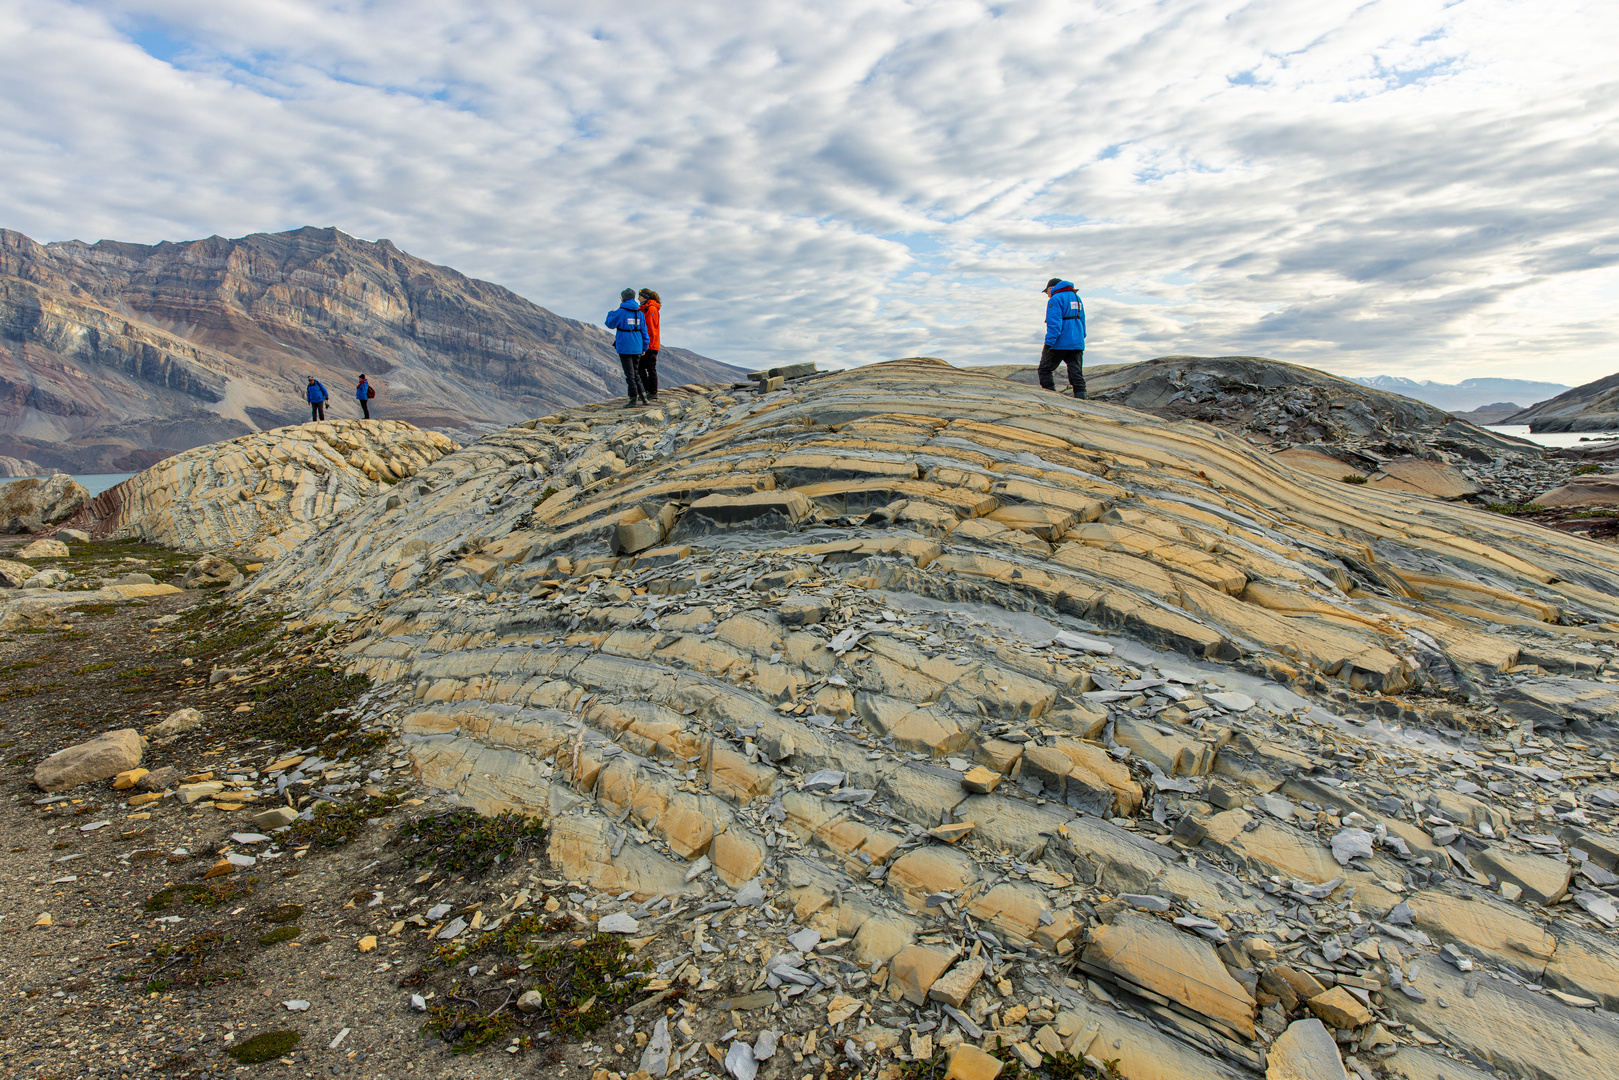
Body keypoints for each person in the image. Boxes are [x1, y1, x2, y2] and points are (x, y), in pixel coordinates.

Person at [1037, 277, 1087, 398]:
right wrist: (1081, 336)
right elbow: (1083, 320)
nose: (1047, 295)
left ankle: (1051, 398)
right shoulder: (1077, 298)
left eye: (1046, 292)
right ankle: (1082, 399)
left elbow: (1054, 323)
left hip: (1059, 342)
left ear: (1051, 288)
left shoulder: (1055, 299)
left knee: (1044, 369)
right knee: (1076, 372)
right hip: (1077, 341)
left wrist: (1049, 342)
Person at [605, 289, 649, 406]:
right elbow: (644, 331)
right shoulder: (639, 313)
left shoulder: (620, 312)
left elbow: (610, 324)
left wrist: (610, 313)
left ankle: (633, 399)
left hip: (625, 346)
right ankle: (644, 397)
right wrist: (644, 347)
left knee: (629, 373)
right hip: (637, 346)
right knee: (636, 372)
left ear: (623, 298)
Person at [636, 288, 662, 402]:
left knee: (650, 368)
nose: (638, 298)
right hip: (647, 343)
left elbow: (650, 328)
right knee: (641, 367)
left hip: (650, 344)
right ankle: (648, 390)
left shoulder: (651, 309)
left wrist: (647, 344)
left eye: (640, 296)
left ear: (645, 297)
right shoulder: (644, 308)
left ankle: (652, 392)